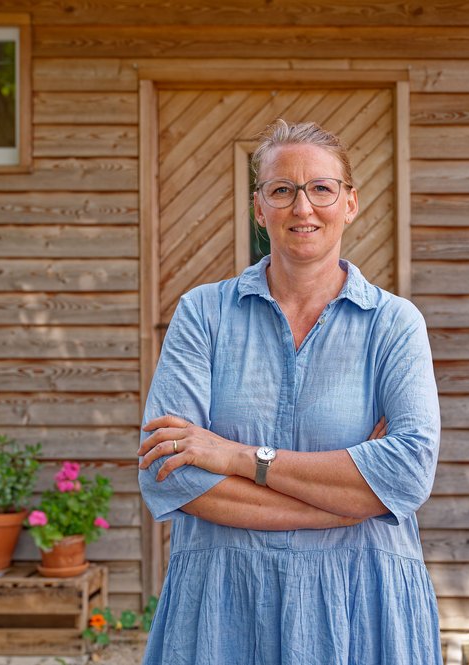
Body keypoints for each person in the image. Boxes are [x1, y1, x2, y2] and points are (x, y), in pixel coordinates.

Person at [137, 119, 442, 665]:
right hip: (223, 603)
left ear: (349, 202)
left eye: (321, 188)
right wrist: (350, 503)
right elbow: (171, 474)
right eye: (282, 190)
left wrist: (234, 457)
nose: (303, 208)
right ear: (260, 209)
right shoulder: (202, 315)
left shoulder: (394, 324)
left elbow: (408, 472)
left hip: (360, 601)